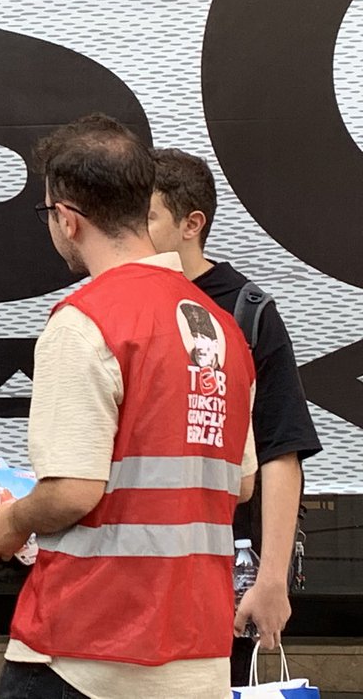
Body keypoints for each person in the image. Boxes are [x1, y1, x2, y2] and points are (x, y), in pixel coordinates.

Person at [0, 114, 258, 699]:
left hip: (84, 645)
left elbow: (73, 491)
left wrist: (11, 520)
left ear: (68, 218)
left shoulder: (86, 321)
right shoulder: (220, 327)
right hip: (196, 644)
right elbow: (243, 481)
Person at [149, 147, 321, 681]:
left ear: (190, 224)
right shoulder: (120, 302)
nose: (128, 228)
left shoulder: (245, 311)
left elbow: (280, 447)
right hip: (137, 566)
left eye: (146, 215)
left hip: (224, 568)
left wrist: (271, 578)